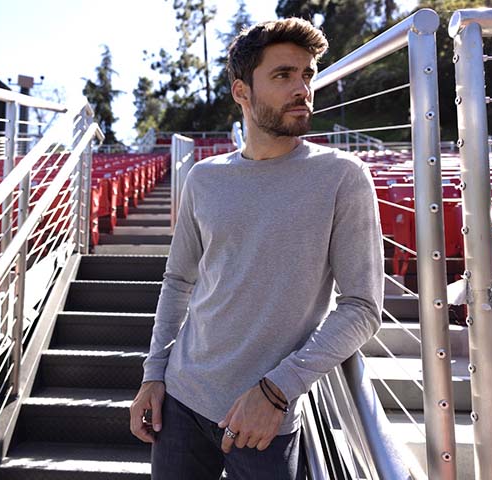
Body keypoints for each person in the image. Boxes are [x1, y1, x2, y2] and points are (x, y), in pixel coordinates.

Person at [129, 17, 384, 479]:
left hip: (266, 417)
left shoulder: (343, 177)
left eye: (307, 75)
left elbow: (363, 308)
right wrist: (154, 373)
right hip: (182, 400)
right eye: (283, 75)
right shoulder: (204, 178)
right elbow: (178, 279)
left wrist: (277, 390)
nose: (303, 88)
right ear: (241, 91)